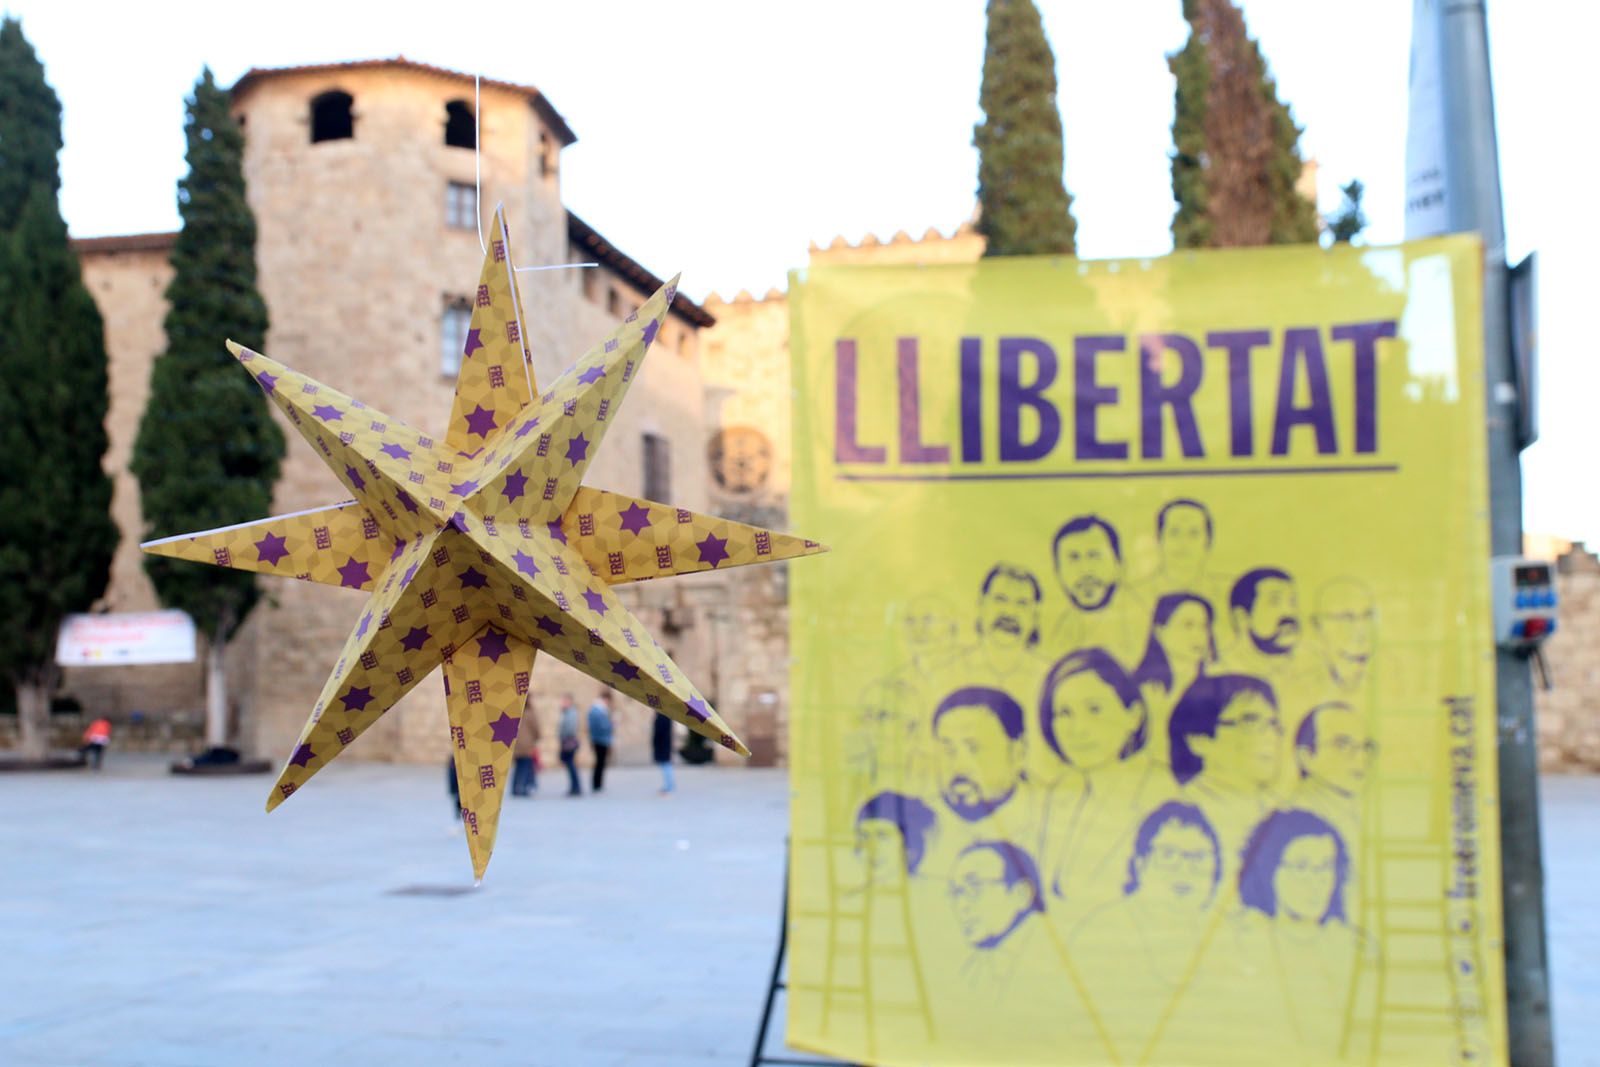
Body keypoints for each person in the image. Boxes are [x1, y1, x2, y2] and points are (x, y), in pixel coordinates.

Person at [1036, 649, 1169, 915]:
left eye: (1094, 709)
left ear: (1134, 716)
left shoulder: (1163, 794)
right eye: (1063, 713)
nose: (1078, 729)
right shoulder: (1060, 795)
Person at [1168, 673, 1283, 875]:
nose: (1270, 736)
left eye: (1273, 724)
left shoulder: (1282, 811)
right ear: (1199, 741)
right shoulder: (1178, 816)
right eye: (1250, 723)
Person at [1132, 593, 1220, 765]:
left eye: (1204, 626)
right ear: (1160, 631)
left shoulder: (1217, 688)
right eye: (1188, 625)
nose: (1199, 635)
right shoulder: (1146, 691)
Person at [1048, 515, 1144, 663]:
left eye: (1095, 556)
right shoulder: (1063, 632)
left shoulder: (1141, 621)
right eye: (1073, 559)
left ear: (1119, 565)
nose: (1085, 571)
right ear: (1058, 573)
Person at [931, 685, 1030, 828]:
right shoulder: (923, 820)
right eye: (948, 750)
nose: (959, 766)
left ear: (1018, 753)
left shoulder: (1051, 821)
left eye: (974, 749)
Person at [1291, 702, 1375, 846]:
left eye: (1366, 747)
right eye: (1343, 745)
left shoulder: (1356, 815)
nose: (1361, 757)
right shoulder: (1293, 821)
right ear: (1306, 757)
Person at [1223, 567, 1301, 682]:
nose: (1289, 612)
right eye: (1274, 602)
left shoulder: (1311, 666)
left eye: (1292, 602)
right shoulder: (1222, 674)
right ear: (1242, 617)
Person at [854, 791, 939, 885]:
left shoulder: (942, 893)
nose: (872, 847)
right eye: (863, 836)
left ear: (910, 846)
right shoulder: (852, 898)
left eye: (883, 836)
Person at [511, 693, 540, 797]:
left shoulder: (514, 712)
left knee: (518, 767)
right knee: (526, 767)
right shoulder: (530, 713)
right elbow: (536, 728)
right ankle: (523, 787)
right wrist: (537, 737)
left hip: (516, 744)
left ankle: (515, 788)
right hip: (527, 745)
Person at [587, 689, 614, 793]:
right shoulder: (597, 710)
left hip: (600, 739)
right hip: (599, 740)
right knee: (599, 762)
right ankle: (596, 784)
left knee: (600, 763)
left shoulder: (599, 709)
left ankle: (598, 784)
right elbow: (600, 726)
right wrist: (611, 724)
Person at [558, 693, 582, 796]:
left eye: (565, 701)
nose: (563, 703)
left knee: (571, 764)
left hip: (568, 741)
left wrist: (564, 737)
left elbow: (570, 728)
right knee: (570, 764)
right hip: (567, 740)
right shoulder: (567, 712)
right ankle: (574, 787)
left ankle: (575, 787)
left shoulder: (571, 713)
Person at [652, 711, 676, 795]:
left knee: (666, 765)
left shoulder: (662, 717)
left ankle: (669, 786)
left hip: (662, 745)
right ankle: (669, 786)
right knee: (666, 765)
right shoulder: (666, 716)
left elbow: (659, 733)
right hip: (664, 745)